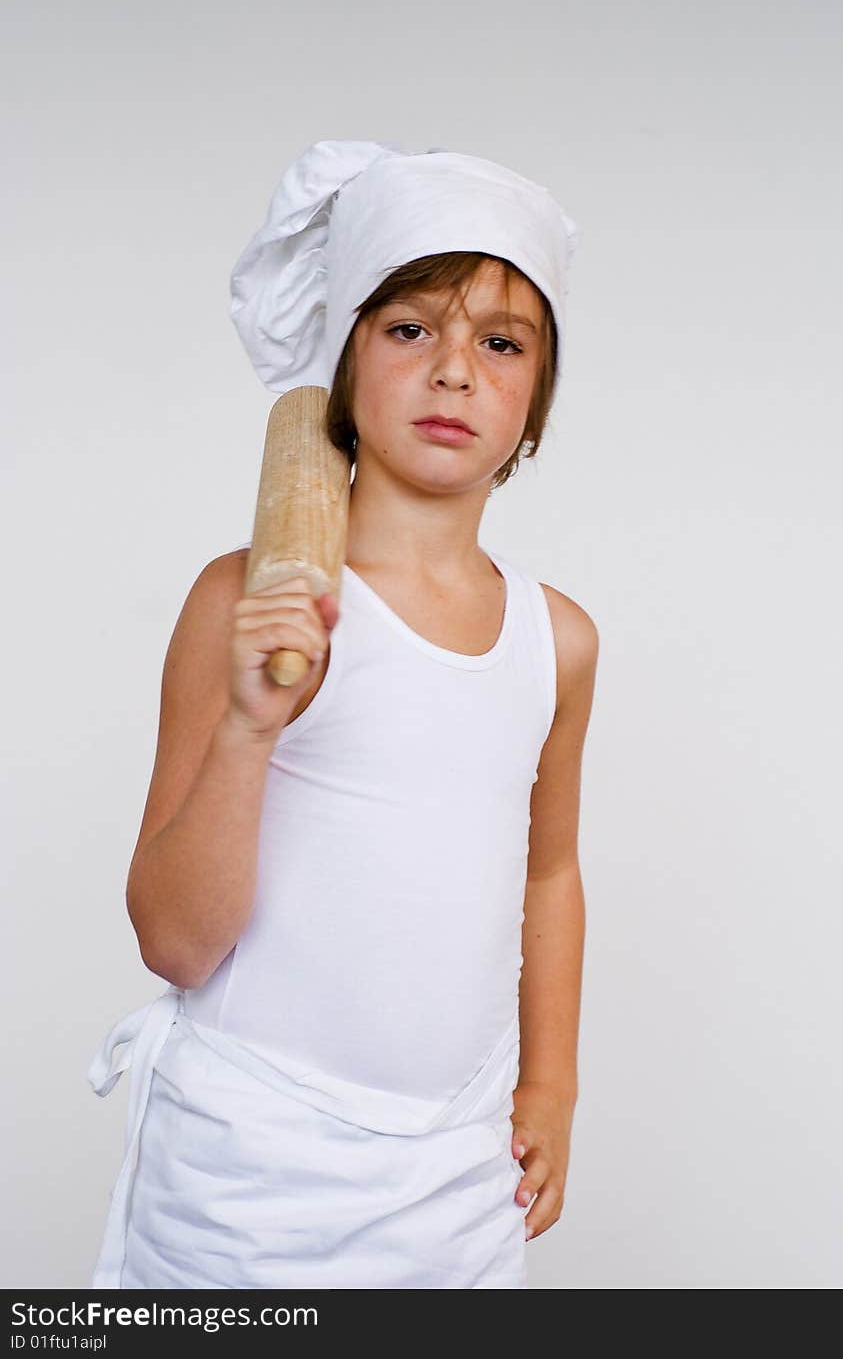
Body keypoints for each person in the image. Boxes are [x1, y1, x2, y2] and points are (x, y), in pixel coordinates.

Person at [86, 139, 599, 1290]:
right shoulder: (247, 599)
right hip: (246, 1181)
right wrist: (249, 724)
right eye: (410, 327)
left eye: (500, 342)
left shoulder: (556, 639)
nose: (455, 369)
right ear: (343, 358)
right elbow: (173, 939)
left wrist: (550, 1085)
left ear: (534, 402)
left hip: (454, 1187)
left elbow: (549, 872)